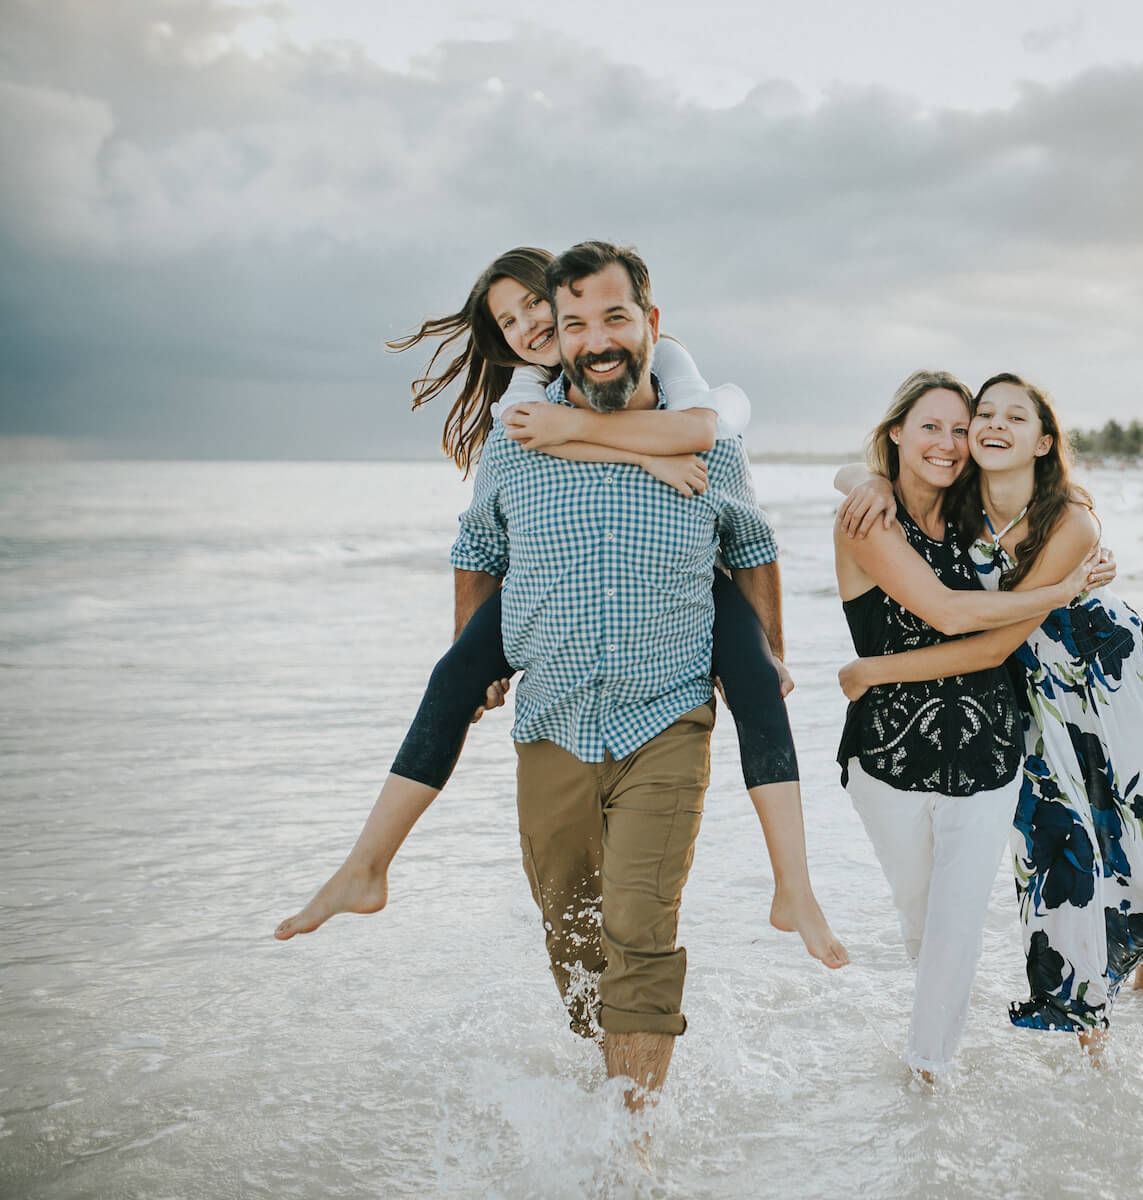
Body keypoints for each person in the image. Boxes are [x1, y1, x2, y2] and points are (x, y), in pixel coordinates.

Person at [273, 247, 846, 971]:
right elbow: (488, 528)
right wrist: (645, 457)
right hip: (551, 647)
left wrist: (771, 643)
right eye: (509, 322)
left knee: (760, 684)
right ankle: (365, 865)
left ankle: (794, 885)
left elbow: (707, 433)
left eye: (535, 307)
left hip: (678, 627)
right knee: (451, 681)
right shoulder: (521, 398)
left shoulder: (666, 359)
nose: (528, 327)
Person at [838, 374, 1143, 1061]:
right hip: (1020, 688)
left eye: (1012, 417)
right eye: (980, 414)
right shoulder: (959, 501)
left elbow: (988, 637)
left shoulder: (1072, 520)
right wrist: (863, 482)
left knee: (1133, 848)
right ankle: (1088, 1022)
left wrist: (875, 671)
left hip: (1101, 683)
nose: (987, 426)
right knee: (1059, 847)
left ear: (1044, 442)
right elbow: (886, 475)